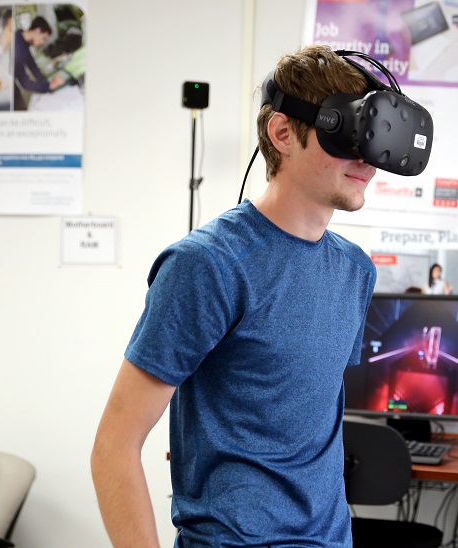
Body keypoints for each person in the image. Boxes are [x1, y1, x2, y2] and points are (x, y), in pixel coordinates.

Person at [91, 45, 379, 547]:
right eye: (346, 134)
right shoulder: (207, 266)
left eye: (372, 139)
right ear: (283, 133)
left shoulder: (355, 270)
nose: (366, 159)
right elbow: (114, 446)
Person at [13, 16, 65, 109]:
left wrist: (45, 82)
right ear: (37, 31)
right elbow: (25, 83)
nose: (42, 42)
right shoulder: (18, 46)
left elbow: (32, 64)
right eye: (43, 38)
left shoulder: (21, 37)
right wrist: (49, 86)